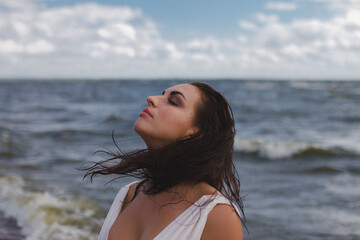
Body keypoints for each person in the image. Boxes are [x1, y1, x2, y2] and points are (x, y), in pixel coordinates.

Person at [83, 82, 247, 240]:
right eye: (163, 94)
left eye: (174, 101)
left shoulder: (216, 215)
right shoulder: (128, 194)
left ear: (197, 132)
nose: (151, 98)